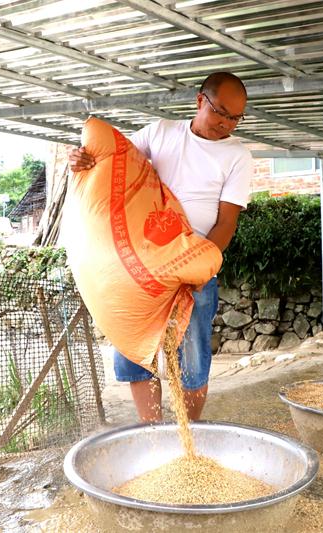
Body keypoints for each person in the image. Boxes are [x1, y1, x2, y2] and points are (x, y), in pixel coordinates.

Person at [68, 72, 252, 423]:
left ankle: (190, 432)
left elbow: (226, 221)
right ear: (200, 101)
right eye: (221, 112)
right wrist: (84, 159)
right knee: (138, 351)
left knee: (194, 357)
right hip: (144, 262)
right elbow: (115, 162)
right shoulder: (161, 132)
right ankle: (150, 431)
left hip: (193, 264)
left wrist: (201, 268)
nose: (226, 124)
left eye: (235, 118)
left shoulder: (237, 155)